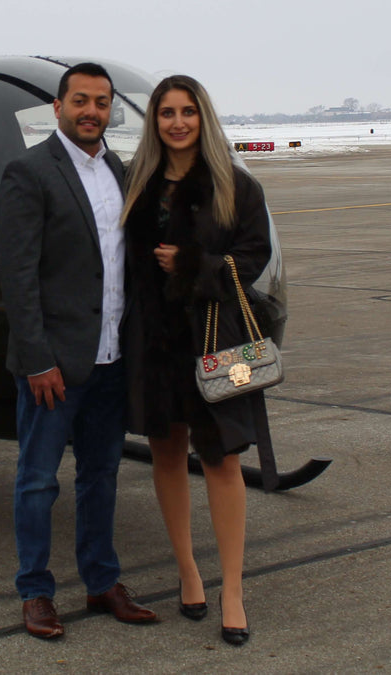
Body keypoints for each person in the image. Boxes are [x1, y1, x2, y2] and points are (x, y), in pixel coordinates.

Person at [0, 62, 158, 640]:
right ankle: (36, 592)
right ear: (59, 106)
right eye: (81, 100)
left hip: (110, 360)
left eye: (102, 103)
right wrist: (38, 360)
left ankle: (101, 582)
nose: (92, 111)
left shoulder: (116, 169)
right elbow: (17, 277)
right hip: (55, 366)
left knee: (102, 477)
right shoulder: (30, 171)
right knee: (38, 481)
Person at [119, 74, 273, 647]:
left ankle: (232, 588)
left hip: (212, 337)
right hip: (152, 341)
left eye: (187, 112)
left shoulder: (235, 185)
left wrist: (192, 264)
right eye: (166, 113)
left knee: (222, 460)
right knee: (165, 451)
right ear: (154, 121)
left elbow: (251, 258)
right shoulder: (138, 184)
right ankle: (188, 570)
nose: (177, 122)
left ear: (202, 118)